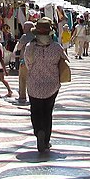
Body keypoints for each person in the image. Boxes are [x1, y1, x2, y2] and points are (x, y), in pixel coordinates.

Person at [23, 16, 65, 154]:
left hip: (34, 84)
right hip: (51, 85)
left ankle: (38, 132)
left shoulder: (30, 47)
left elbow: (28, 65)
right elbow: (63, 62)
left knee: (35, 111)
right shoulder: (56, 47)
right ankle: (46, 139)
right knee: (48, 112)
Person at [13, 20, 35, 104]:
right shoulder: (36, 36)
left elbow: (18, 47)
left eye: (25, 27)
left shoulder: (25, 36)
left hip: (24, 60)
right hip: (35, 61)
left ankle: (22, 95)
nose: (23, 28)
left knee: (23, 78)